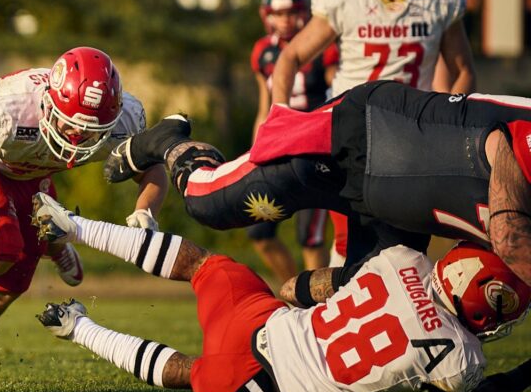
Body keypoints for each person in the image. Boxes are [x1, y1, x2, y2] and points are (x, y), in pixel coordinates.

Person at [31, 192, 531, 392]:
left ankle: (74, 226)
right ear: (485, 303)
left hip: (267, 323)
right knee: (190, 372)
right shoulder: (460, 358)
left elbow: (315, 285)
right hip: (254, 386)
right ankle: (77, 327)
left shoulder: (402, 260)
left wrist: (295, 291)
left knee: (202, 263)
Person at [103, 80, 531, 301]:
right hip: (360, 143)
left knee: (370, 300)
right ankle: (166, 139)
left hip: (396, 211)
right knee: (206, 202)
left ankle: (290, 315)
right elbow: (510, 229)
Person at [0, 47, 169, 388]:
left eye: (91, 131)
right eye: (71, 127)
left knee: (13, 282)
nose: (79, 140)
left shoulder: (126, 118)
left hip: (28, 170)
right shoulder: (11, 112)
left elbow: (153, 167)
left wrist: (146, 212)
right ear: (49, 103)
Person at [270, 0, 477, 263]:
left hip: (412, 128)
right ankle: (340, 305)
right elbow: (290, 57)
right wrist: (280, 113)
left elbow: (462, 69)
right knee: (349, 237)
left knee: (407, 238)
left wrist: (447, 120)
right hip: (351, 127)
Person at [248, 0, 337, 281]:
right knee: (260, 231)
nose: (285, 20)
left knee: (309, 237)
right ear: (267, 15)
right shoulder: (263, 52)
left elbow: (338, 93)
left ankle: (321, 305)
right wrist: (253, 152)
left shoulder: (323, 47)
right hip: (278, 146)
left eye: (291, 13)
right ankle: (295, 293)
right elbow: (264, 107)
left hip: (315, 147)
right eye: (279, 13)